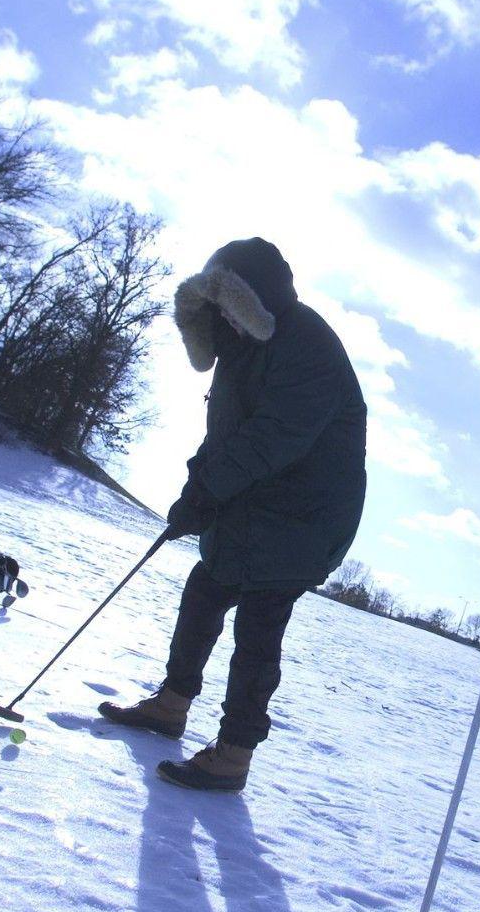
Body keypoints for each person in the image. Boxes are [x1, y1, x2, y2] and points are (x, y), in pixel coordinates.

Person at [100, 238, 367, 793]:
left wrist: (211, 490)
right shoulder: (238, 349)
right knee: (205, 590)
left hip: (304, 514)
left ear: (256, 301)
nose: (221, 317)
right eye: (215, 307)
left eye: (230, 305)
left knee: (259, 626)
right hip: (253, 499)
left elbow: (274, 438)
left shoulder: (308, 346)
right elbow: (225, 435)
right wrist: (197, 488)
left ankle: (234, 753)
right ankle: (171, 705)